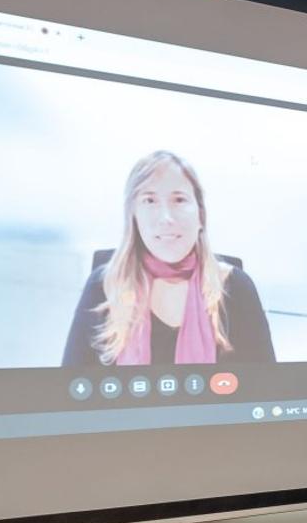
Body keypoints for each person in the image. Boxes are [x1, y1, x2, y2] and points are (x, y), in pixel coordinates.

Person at [62, 151, 274, 366]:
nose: (166, 218)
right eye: (150, 200)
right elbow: (73, 388)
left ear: (200, 216)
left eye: (179, 199)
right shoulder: (104, 285)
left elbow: (267, 387)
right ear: (133, 216)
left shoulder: (236, 286)